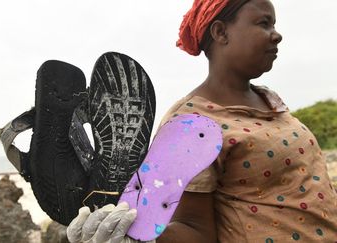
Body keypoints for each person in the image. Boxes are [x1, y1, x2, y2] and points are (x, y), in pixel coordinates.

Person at [66, 0, 337, 242]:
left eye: (274, 24)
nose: (277, 35)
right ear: (220, 32)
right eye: (264, 23)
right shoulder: (190, 123)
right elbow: (193, 228)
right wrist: (137, 235)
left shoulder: (271, 101)